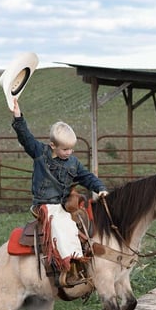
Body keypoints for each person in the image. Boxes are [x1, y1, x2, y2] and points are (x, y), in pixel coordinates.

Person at [11, 99, 108, 286]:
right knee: (59, 225)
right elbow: (25, 137)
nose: (69, 152)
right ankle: (66, 267)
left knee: (72, 225)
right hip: (44, 204)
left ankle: (78, 263)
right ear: (53, 145)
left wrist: (101, 188)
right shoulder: (40, 153)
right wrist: (18, 116)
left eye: (71, 148)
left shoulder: (73, 162)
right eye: (65, 149)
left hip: (61, 204)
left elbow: (87, 176)